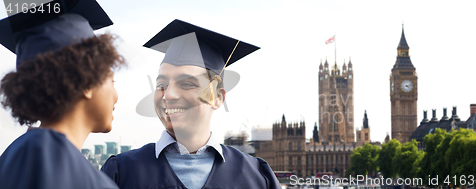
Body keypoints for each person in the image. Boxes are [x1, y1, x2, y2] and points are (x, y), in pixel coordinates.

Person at [101, 19, 280, 189]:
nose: (168, 95)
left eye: (187, 84)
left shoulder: (256, 176)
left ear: (217, 98)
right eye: (161, 85)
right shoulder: (120, 172)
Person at [0, 0, 125, 188]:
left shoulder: (20, 153)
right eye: (111, 81)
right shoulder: (47, 155)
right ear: (86, 81)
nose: (116, 95)